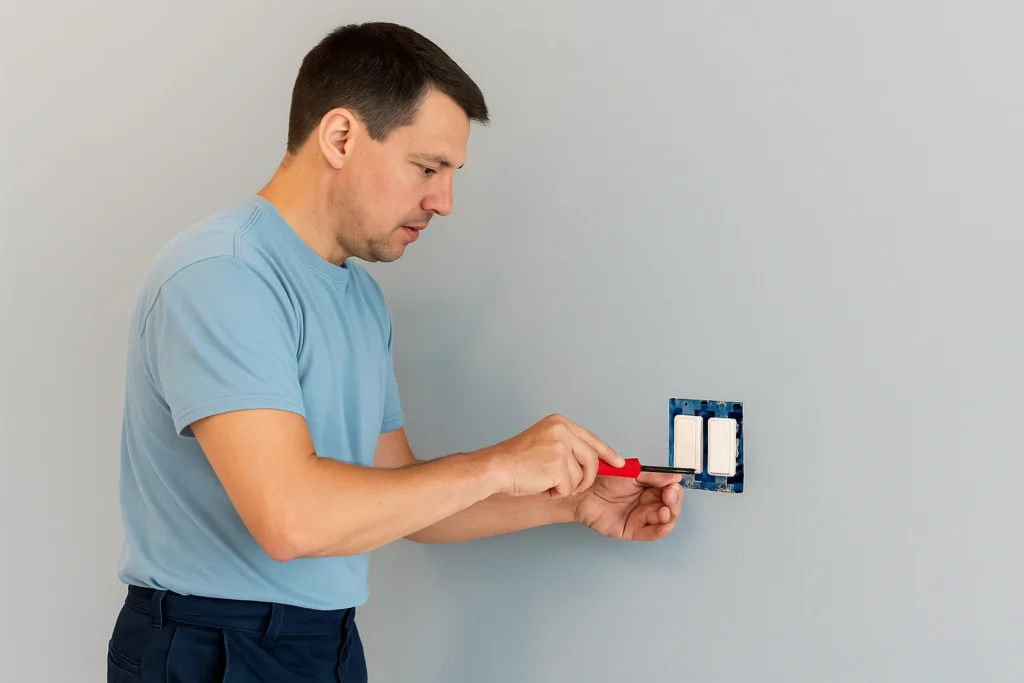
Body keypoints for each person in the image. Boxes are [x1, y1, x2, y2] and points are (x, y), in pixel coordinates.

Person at [106, 20, 684, 683]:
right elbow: (290, 517)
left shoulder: (360, 300)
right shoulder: (221, 276)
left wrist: (570, 501)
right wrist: (499, 462)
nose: (444, 202)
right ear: (342, 136)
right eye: (428, 168)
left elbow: (403, 496)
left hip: (327, 644)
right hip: (214, 647)